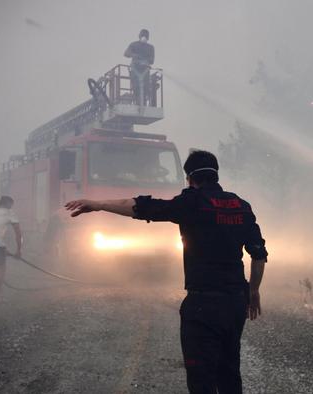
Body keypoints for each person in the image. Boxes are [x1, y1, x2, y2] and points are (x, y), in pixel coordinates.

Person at [66, 150, 268, 393]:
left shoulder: (192, 202)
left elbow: (142, 207)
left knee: (201, 377)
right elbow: (258, 253)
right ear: (215, 175)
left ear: (190, 178)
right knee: (229, 371)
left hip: (202, 304)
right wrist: (253, 291)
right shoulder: (241, 206)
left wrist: (98, 205)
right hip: (235, 301)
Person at [124, 28, 155, 106]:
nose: (144, 37)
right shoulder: (134, 44)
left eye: (146, 36)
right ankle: (137, 103)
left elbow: (152, 61)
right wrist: (134, 55)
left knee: (146, 88)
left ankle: (143, 103)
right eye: (143, 35)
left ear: (148, 38)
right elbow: (126, 53)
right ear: (140, 36)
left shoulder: (150, 47)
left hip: (145, 71)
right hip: (135, 70)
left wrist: (146, 61)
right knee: (136, 87)